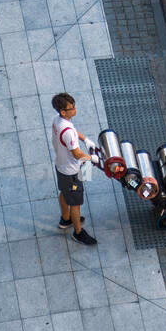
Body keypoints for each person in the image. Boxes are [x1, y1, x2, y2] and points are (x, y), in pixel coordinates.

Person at [50, 93, 98, 246]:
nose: (75, 109)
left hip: (61, 166)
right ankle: (78, 233)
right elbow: (77, 154)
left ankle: (66, 219)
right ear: (63, 112)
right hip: (71, 172)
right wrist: (92, 158)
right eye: (71, 108)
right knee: (76, 204)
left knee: (64, 192)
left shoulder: (57, 120)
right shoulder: (68, 132)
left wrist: (85, 139)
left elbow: (72, 131)